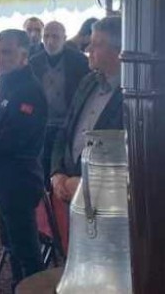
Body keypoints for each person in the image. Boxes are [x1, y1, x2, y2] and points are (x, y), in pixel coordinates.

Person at [0, 29, 48, 287]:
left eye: (7, 52)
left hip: (20, 180)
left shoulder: (30, 90)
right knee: (11, 246)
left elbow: (13, 139)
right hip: (1, 179)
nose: (0, 58)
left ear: (24, 55)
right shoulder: (5, 82)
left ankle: (34, 289)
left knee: (27, 251)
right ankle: (19, 287)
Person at [49, 17, 124, 202]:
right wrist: (57, 172)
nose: (88, 49)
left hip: (106, 201)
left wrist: (87, 183)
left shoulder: (132, 96)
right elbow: (65, 130)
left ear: (118, 51)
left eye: (97, 44)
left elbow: (126, 156)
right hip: (68, 191)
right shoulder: (88, 82)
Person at [28, 21, 90, 182]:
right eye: (46, 36)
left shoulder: (80, 62)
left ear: (65, 38)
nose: (50, 41)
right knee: (42, 169)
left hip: (69, 126)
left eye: (55, 37)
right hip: (42, 126)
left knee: (64, 169)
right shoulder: (33, 63)